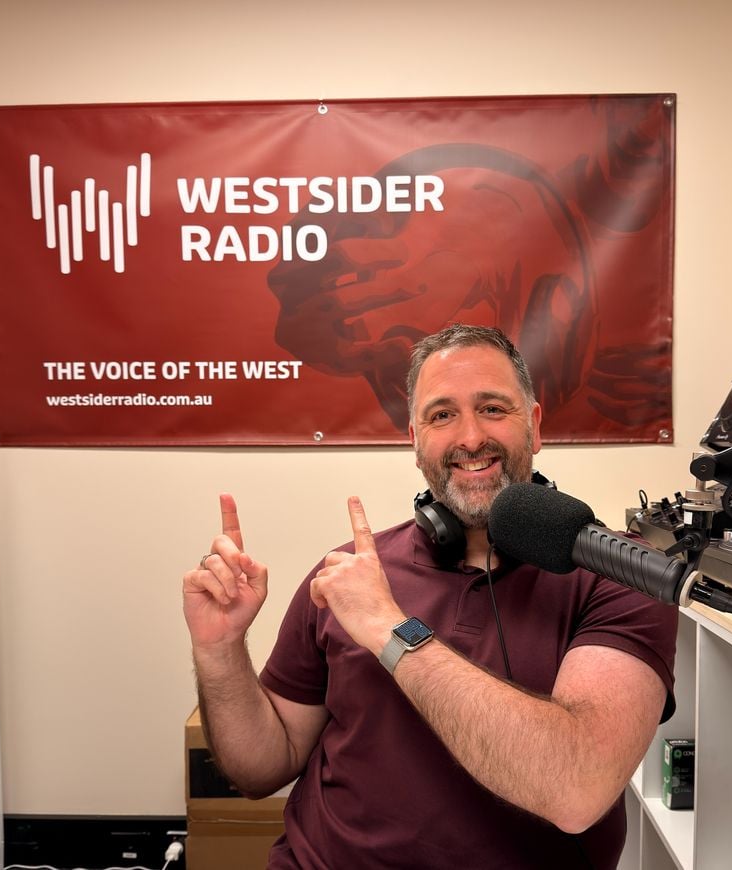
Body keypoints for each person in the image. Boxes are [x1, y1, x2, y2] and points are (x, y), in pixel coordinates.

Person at [183, 323, 678, 869]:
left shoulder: (618, 574)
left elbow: (577, 787)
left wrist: (392, 631)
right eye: (442, 415)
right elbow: (260, 770)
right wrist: (219, 650)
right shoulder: (349, 576)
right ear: (415, 440)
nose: (470, 437)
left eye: (492, 408)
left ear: (534, 426)